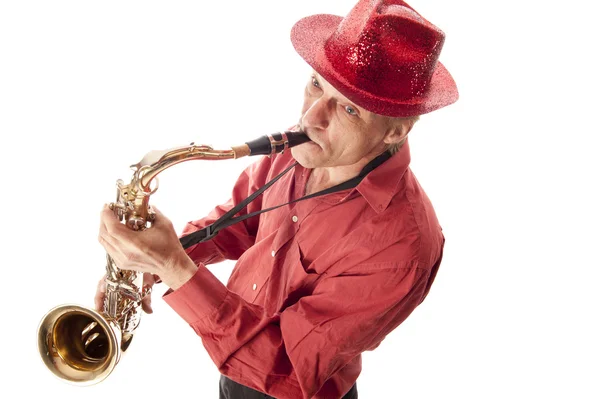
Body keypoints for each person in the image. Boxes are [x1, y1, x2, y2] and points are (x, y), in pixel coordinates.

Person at [96, 0, 458, 398]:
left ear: (395, 132)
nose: (312, 118)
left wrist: (175, 266)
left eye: (349, 110)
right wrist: (151, 263)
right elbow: (243, 221)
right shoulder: (300, 146)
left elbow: (286, 368)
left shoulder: (401, 245)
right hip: (230, 367)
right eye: (317, 84)